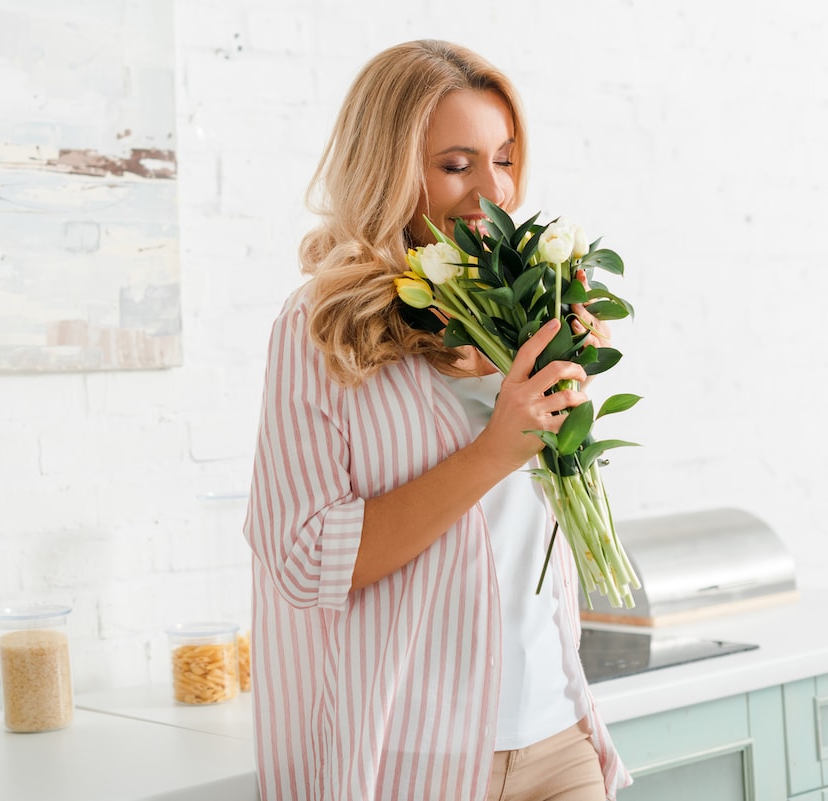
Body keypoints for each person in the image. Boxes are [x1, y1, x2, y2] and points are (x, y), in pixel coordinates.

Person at [243, 40, 632, 801]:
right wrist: (496, 449)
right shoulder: (322, 329)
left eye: (506, 160)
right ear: (390, 171)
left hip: (558, 740)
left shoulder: (525, 308)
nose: (494, 193)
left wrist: (567, 398)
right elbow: (302, 557)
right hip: (420, 758)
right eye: (457, 166)